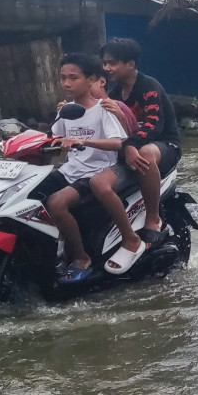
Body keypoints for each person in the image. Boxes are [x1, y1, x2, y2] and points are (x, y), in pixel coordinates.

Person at [32, 54, 129, 284]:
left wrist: (84, 142)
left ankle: (81, 258)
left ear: (91, 79)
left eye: (73, 78)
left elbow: (118, 142)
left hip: (94, 172)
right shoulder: (66, 111)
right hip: (69, 171)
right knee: (29, 196)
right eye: (63, 78)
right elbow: (55, 140)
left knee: (56, 202)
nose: (66, 84)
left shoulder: (103, 109)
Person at [100, 38, 182, 247]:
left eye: (113, 63)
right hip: (131, 146)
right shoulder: (115, 94)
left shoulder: (149, 87)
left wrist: (129, 145)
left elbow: (154, 125)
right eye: (105, 63)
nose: (107, 68)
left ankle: (152, 218)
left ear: (131, 64)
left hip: (164, 145)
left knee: (145, 152)